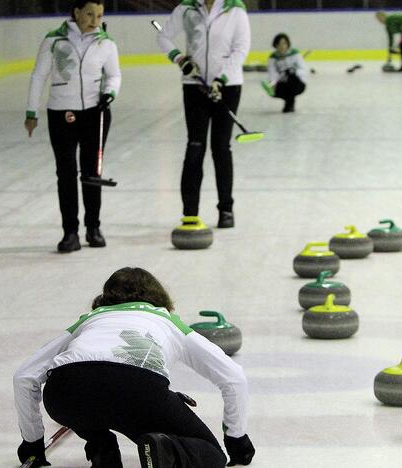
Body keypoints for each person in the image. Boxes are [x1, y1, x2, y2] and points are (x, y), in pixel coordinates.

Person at [13, 267, 255, 468]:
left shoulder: (89, 319)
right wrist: (237, 439)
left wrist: (32, 443)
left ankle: (103, 451)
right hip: (135, 391)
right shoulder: (167, 320)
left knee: (88, 399)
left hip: (65, 391)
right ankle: (166, 450)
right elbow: (234, 378)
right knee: (212, 456)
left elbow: (25, 377)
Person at [24, 0, 121, 253]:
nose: (95, 21)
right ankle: (70, 232)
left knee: (91, 173)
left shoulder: (105, 42)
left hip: (95, 113)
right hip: (61, 113)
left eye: (99, 15)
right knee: (65, 173)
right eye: (89, 14)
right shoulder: (53, 40)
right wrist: (31, 111)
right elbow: (39, 75)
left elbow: (114, 75)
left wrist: (109, 93)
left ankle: (93, 227)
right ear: (76, 12)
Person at [156, 0, 251, 229]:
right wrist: (180, 59)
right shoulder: (187, 8)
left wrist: (222, 79)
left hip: (228, 87)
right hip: (194, 85)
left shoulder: (235, 8)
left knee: (220, 147)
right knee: (195, 146)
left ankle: (226, 209)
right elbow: (163, 37)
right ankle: (190, 213)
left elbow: (241, 49)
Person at [261, 33, 308, 113]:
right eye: (279, 44)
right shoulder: (273, 58)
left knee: (291, 77)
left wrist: (294, 71)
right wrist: (272, 84)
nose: (282, 46)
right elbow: (272, 74)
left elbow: (304, 69)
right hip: (282, 84)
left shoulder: (295, 54)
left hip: (297, 84)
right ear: (275, 45)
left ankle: (289, 104)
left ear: (288, 44)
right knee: (281, 86)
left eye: (284, 43)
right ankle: (289, 104)